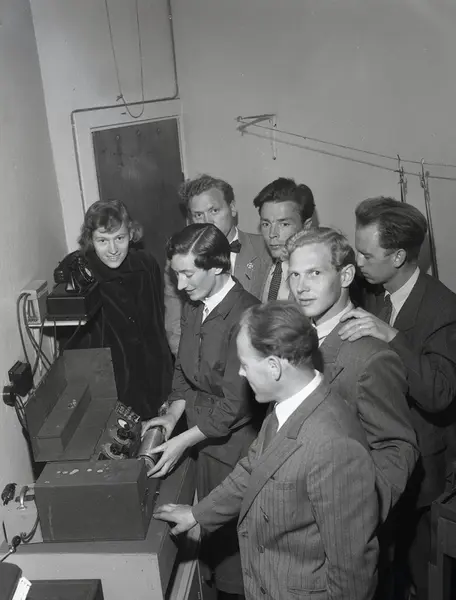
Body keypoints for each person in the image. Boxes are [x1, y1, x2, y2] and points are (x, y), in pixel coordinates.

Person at [154, 302, 379, 600]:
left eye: (245, 364)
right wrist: (197, 514)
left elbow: (351, 577)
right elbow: (253, 469)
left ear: (274, 367)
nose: (240, 373)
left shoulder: (335, 447)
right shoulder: (285, 406)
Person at [338, 197, 456, 600]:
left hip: (420, 475)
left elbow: (439, 394)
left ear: (399, 256)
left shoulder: (444, 307)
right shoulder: (369, 290)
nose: (358, 261)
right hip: (371, 460)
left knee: (420, 577)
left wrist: (391, 336)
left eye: (366, 254)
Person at [142, 223, 261, 600]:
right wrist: (171, 416)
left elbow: (235, 404)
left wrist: (182, 441)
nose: (180, 285)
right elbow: (183, 369)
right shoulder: (195, 306)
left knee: (235, 552)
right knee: (210, 540)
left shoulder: (248, 315)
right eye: (175, 274)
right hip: (203, 442)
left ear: (218, 267)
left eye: (188, 274)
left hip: (236, 448)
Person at [286, 227, 418, 521]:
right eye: (294, 275)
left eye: (314, 273)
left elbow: (396, 450)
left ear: (346, 276)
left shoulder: (371, 356)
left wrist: (357, 516)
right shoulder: (296, 335)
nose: (301, 287)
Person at [77, 199, 173, 420]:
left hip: (155, 382)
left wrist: (168, 384)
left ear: (131, 234)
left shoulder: (147, 264)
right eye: (103, 240)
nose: (113, 250)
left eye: (119, 238)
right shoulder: (83, 277)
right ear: (90, 239)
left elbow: (158, 327)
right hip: (112, 391)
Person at [164, 174, 271, 354]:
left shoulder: (265, 250)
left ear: (232, 208)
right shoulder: (177, 261)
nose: (207, 221)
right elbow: (174, 325)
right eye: (198, 215)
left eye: (214, 210)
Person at [253, 177, 315, 301]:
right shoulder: (256, 264)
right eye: (266, 224)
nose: (272, 234)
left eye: (284, 224)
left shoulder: (315, 278)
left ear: (306, 227)